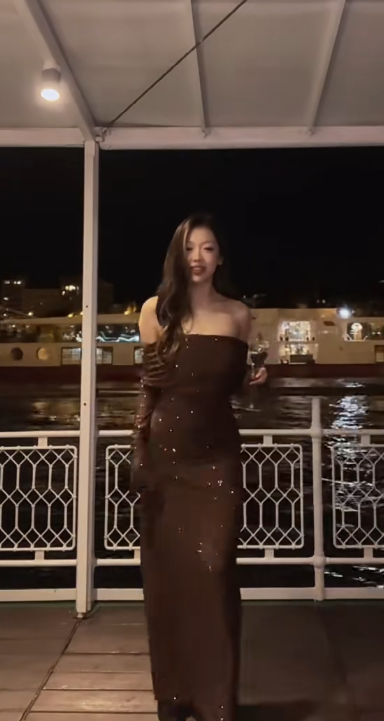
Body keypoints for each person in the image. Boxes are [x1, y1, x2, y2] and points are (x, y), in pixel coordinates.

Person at [133, 214, 268, 721]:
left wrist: (258, 384)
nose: (197, 257)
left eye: (207, 248)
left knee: (214, 572)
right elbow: (149, 390)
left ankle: (216, 701)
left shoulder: (239, 315)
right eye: (189, 248)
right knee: (166, 579)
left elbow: (237, 391)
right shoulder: (155, 311)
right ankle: (175, 696)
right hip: (164, 460)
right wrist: (139, 452)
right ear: (177, 254)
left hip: (217, 459)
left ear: (220, 257)